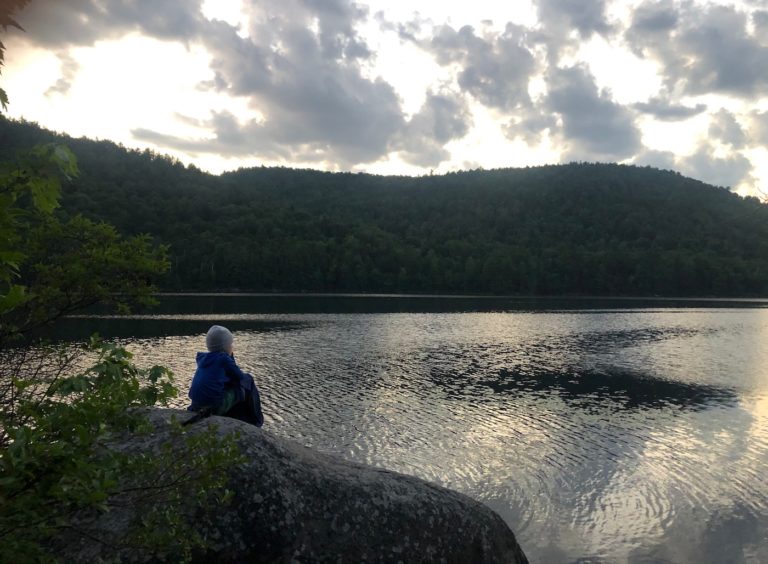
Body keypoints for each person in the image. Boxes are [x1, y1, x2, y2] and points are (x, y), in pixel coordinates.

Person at [188, 325, 264, 427]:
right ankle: (256, 422)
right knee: (248, 381)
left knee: (230, 385)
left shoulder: (204, 359)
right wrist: (230, 357)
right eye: (231, 344)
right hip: (214, 407)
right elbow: (240, 377)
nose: (232, 346)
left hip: (195, 405)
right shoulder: (223, 359)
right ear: (225, 347)